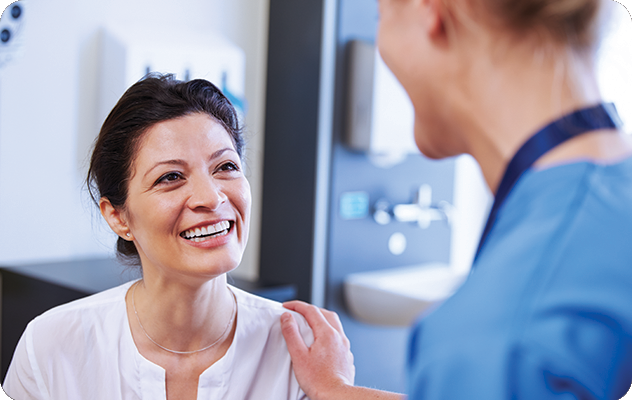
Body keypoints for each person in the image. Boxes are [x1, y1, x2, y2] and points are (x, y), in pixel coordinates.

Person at [280, 0, 632, 399]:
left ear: (430, 9)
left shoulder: (504, 334)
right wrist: (334, 390)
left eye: (382, 14)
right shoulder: (605, 203)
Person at [3, 74, 313, 400]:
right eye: (171, 176)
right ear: (118, 216)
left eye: (225, 166)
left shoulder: (302, 350)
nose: (211, 197)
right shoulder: (51, 346)